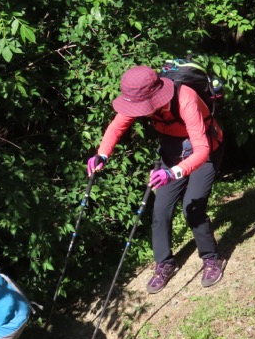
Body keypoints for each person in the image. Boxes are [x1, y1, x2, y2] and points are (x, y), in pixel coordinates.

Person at [87, 64, 226, 293]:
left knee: (192, 207)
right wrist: (102, 154)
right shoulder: (137, 98)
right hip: (172, 151)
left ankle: (211, 258)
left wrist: (173, 173)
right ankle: (165, 263)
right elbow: (116, 127)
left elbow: (201, 150)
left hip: (205, 151)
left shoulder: (185, 98)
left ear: (155, 96)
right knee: (160, 210)